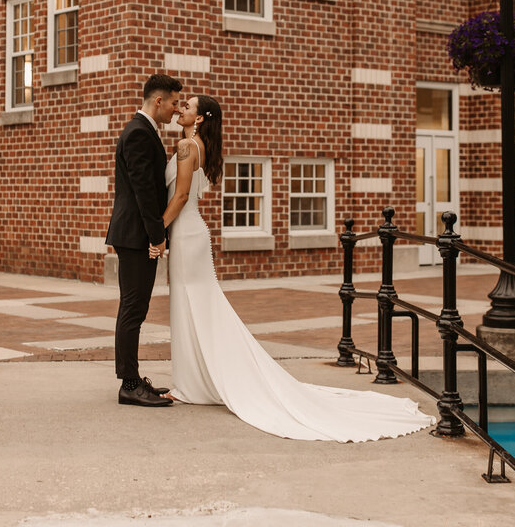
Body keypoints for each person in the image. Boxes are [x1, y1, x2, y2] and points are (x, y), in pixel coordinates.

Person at [158, 93, 436, 441]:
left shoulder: (187, 149)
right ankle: (194, 383)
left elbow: (181, 196)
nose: (181, 108)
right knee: (194, 308)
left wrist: (157, 232)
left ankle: (193, 385)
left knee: (193, 307)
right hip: (191, 234)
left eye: (188, 106)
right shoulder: (197, 146)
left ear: (199, 119)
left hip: (186, 235)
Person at [106, 73, 184, 407]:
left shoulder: (143, 130)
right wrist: (157, 236)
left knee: (135, 308)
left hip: (137, 234)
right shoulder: (138, 133)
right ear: (158, 101)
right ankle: (129, 384)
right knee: (133, 309)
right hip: (136, 235)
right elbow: (144, 192)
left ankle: (134, 380)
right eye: (174, 102)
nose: (176, 109)